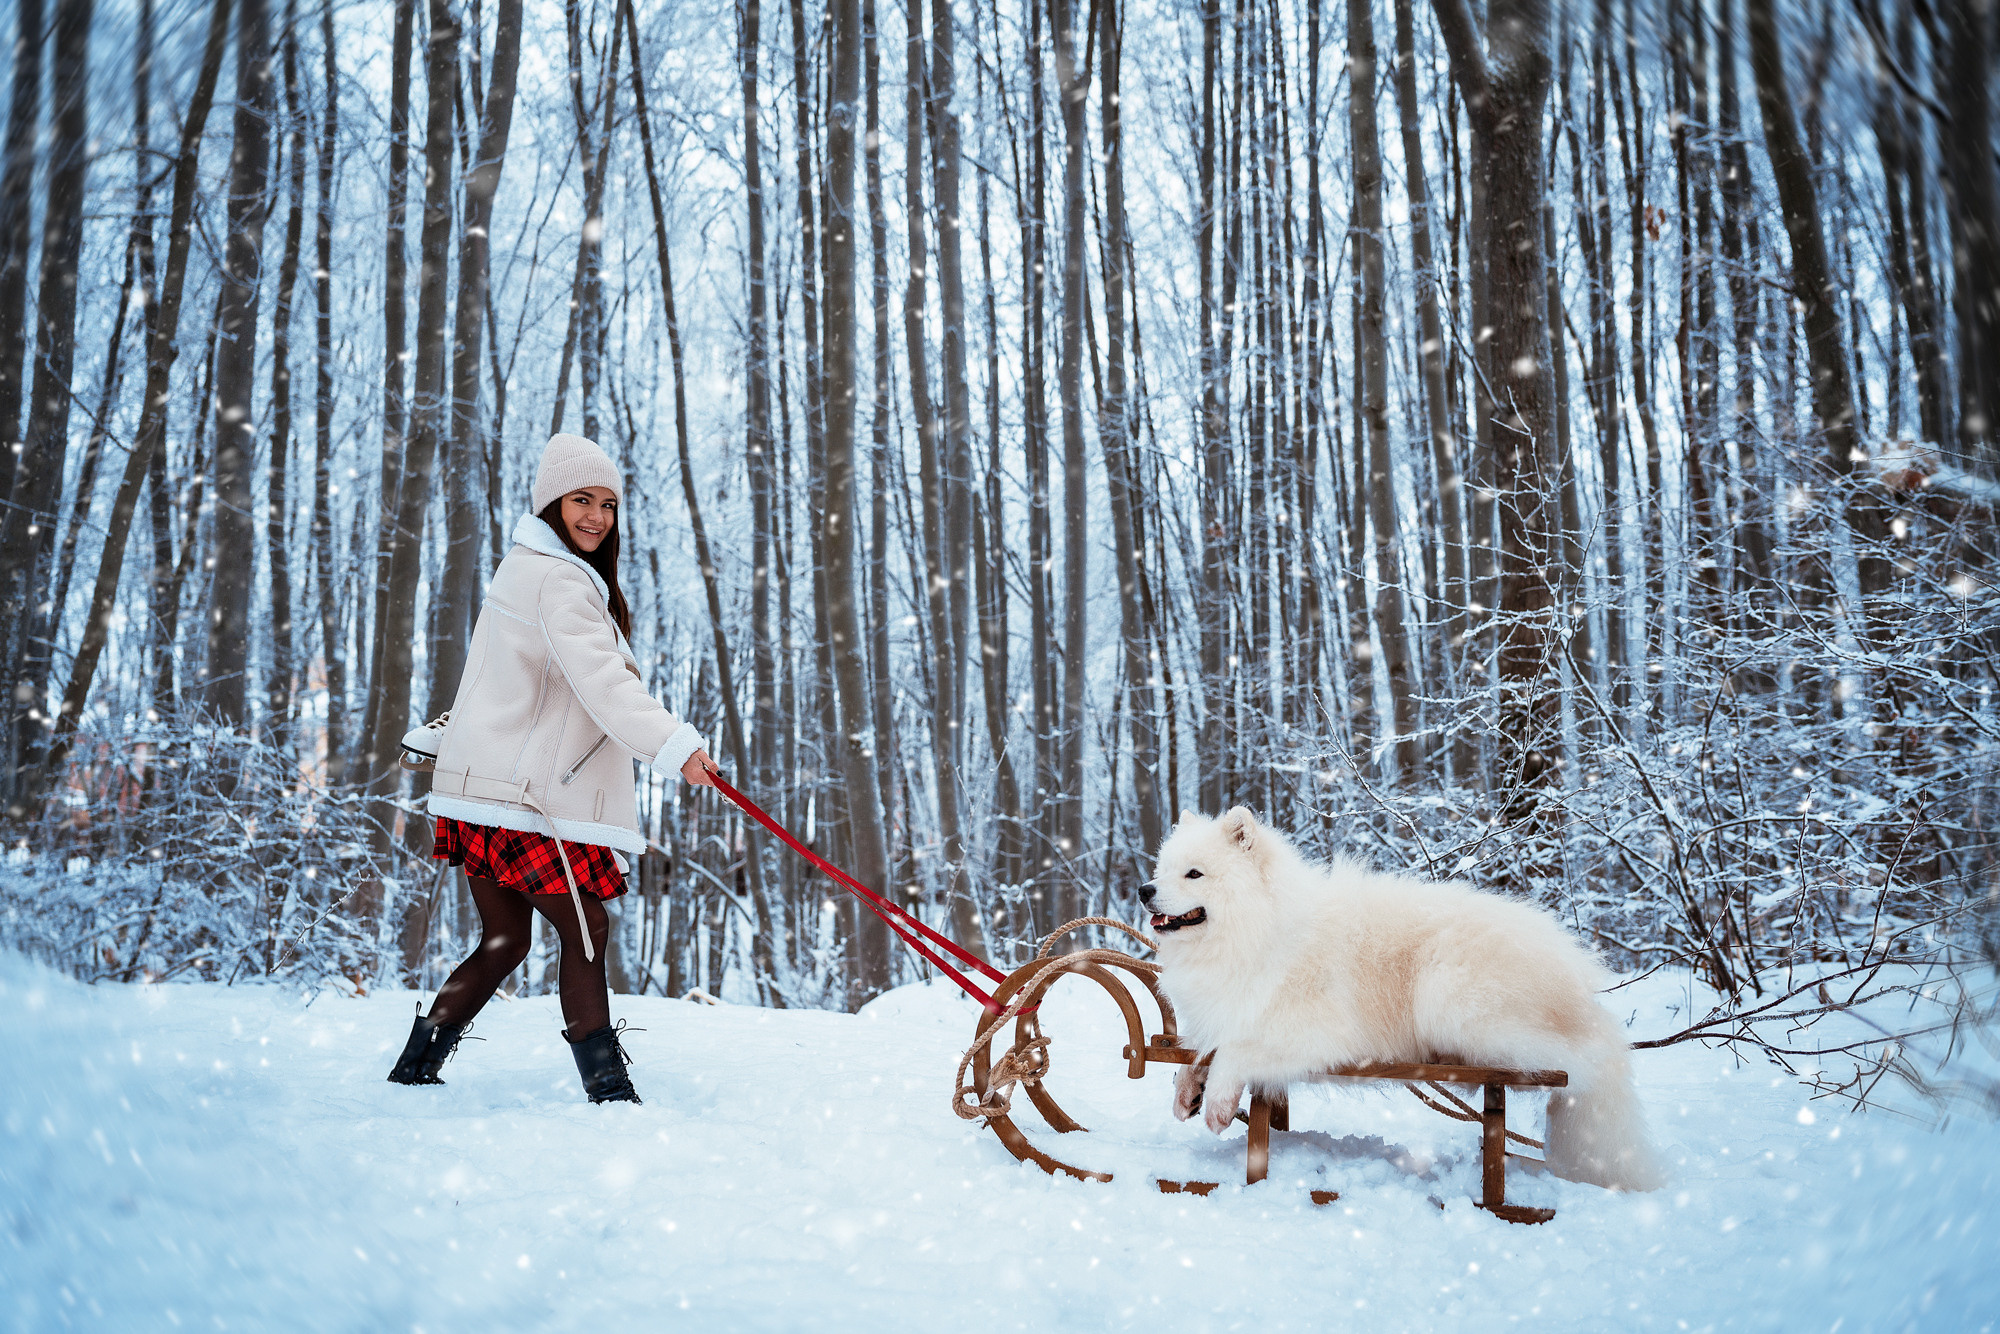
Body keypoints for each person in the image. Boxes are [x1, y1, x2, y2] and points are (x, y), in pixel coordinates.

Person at [385, 432, 719, 1103]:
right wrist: (675, 746)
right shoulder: (559, 581)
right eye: (581, 501)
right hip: (524, 799)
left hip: (490, 790)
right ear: (551, 506)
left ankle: (415, 1068)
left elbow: (499, 684)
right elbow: (605, 684)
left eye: (607, 504)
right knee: (586, 929)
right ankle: (609, 1090)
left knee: (508, 937)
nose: (596, 516)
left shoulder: (525, 570)